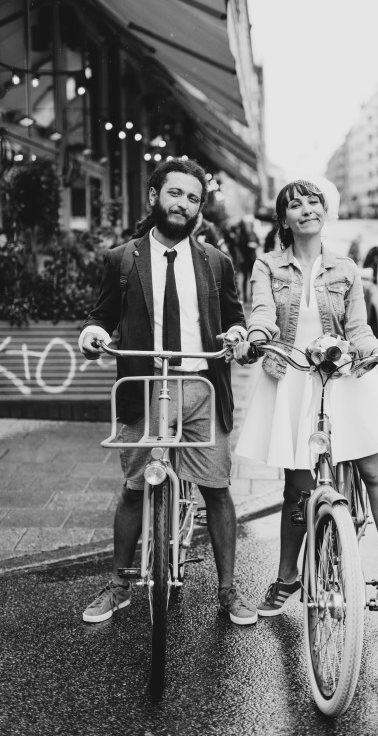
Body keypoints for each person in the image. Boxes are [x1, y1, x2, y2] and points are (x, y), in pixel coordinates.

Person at [79, 157, 257, 626]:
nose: (183, 204)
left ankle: (227, 591)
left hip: (202, 386)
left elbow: (235, 319)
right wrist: (91, 335)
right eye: (175, 193)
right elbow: (101, 316)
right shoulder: (123, 258)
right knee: (136, 489)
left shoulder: (215, 262)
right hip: (146, 384)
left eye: (193, 198)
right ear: (154, 195)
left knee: (216, 490)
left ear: (200, 209)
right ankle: (119, 585)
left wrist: (237, 337)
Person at [233, 179, 378, 616]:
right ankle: (288, 576)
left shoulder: (347, 269)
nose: (306, 209)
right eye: (295, 205)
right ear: (284, 219)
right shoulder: (268, 266)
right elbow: (261, 311)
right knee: (297, 486)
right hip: (294, 376)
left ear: (324, 212)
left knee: (374, 468)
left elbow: (359, 330)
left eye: (314, 202)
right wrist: (256, 337)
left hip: (346, 373)